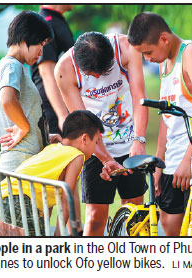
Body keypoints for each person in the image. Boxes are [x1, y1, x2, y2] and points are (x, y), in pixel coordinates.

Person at [128, 12, 192, 236]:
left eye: (148, 52)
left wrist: (188, 159)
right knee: (169, 221)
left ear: (164, 39)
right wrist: (159, 161)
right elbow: (167, 117)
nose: (147, 59)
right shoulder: (166, 63)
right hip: (175, 157)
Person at [55, 31, 148, 236]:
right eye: (92, 74)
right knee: (96, 217)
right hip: (93, 145)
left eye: (104, 72)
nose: (98, 77)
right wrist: (105, 158)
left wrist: (139, 140)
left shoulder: (127, 48)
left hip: (131, 142)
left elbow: (140, 97)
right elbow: (84, 124)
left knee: (135, 213)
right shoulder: (64, 69)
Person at [0, 110, 104, 236]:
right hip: (20, 202)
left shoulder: (52, 148)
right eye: (96, 142)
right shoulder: (77, 156)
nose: (95, 149)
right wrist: (58, 234)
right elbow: (67, 198)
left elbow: (47, 203)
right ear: (84, 139)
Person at [0, 11, 54, 172]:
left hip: (27, 161)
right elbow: (7, 99)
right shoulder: (11, 65)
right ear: (26, 38)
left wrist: (46, 137)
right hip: (20, 163)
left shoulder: (17, 67)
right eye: (40, 45)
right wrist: (24, 128)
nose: (41, 52)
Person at [31, 5, 74, 134]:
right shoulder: (45, 23)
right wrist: (62, 116)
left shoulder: (57, 19)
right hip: (52, 110)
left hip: (64, 104)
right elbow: (46, 72)